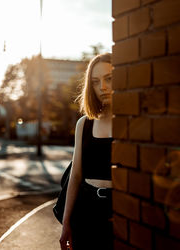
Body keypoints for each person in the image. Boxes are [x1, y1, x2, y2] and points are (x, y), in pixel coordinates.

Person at [60, 53, 113, 250]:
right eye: (95, 82)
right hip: (87, 212)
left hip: (122, 209)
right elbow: (75, 176)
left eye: (109, 79)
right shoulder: (84, 124)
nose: (103, 87)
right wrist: (66, 222)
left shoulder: (132, 121)